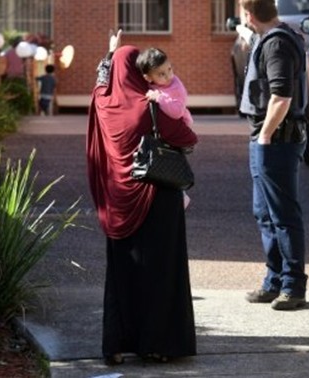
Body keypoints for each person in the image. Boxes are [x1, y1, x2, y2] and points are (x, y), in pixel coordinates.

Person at [86, 29, 198, 365]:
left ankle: (116, 345)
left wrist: (109, 56)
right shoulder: (146, 107)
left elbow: (101, 84)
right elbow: (187, 136)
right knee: (161, 272)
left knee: (121, 275)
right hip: (156, 197)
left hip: (117, 201)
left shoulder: (102, 103)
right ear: (138, 72)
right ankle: (159, 344)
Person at [238, 0, 309, 311]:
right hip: (270, 139)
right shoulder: (275, 37)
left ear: (249, 15)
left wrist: (265, 135)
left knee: (283, 216)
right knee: (265, 213)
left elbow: (281, 96)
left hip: (276, 141)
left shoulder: (277, 44)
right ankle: (275, 281)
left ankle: (292, 286)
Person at [136, 47, 193, 208]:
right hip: (161, 132)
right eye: (161, 74)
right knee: (162, 162)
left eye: (169, 69)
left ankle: (181, 195)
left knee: (172, 162)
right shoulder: (150, 84)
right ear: (147, 77)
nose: (168, 76)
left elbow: (176, 112)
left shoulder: (176, 86)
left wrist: (159, 98)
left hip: (176, 132)